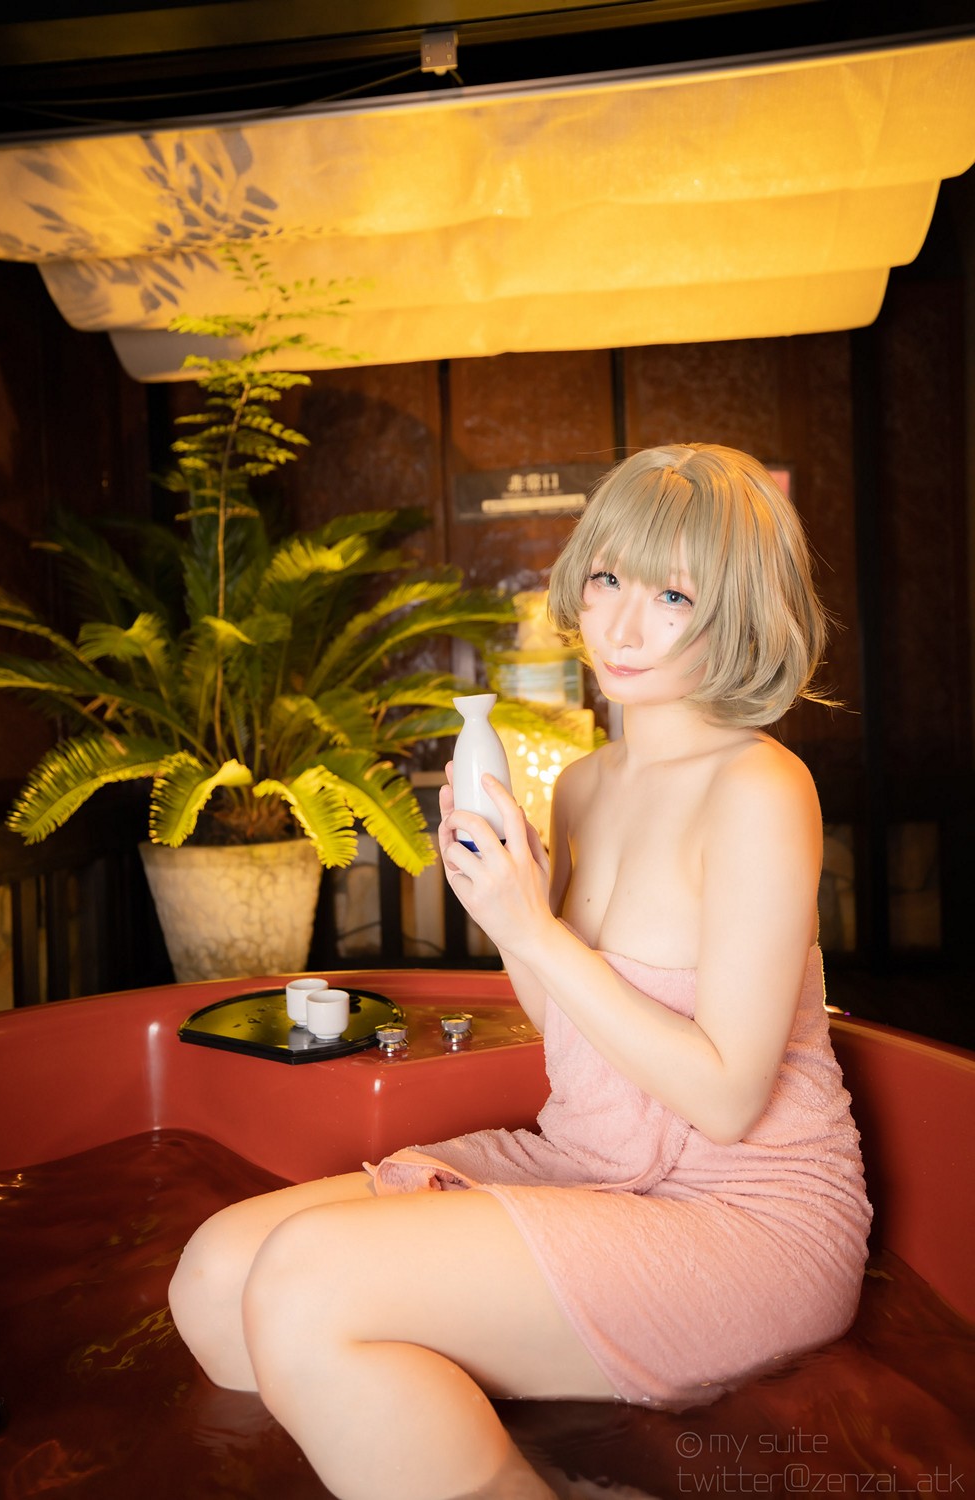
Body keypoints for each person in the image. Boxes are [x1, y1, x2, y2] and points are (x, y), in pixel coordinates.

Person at [168, 443, 872, 1500]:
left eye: (673, 596)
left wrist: (536, 932)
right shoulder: (584, 784)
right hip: (592, 1164)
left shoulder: (761, 788)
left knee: (306, 1287)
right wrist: (504, 912)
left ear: (738, 614)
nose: (621, 627)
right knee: (215, 1278)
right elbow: (576, 1039)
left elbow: (728, 1098)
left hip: (748, 1217)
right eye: (608, 580)